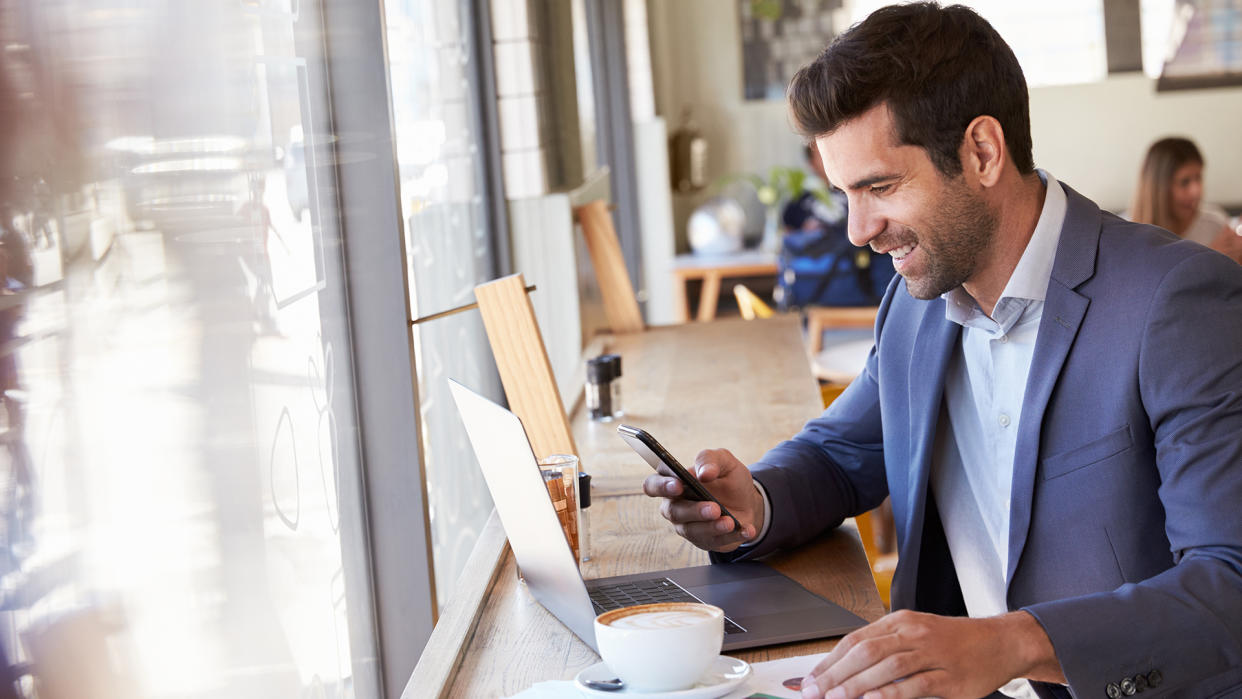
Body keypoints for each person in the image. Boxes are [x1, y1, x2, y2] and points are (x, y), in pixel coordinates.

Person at [643, 4, 1242, 699]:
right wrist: (753, 501)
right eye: (844, 194)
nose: (858, 231)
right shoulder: (918, 304)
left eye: (879, 187)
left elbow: (1230, 578)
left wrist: (1012, 641)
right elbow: (844, 454)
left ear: (982, 152)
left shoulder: (1177, 301)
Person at [1130, 136, 1242, 263]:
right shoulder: (1126, 232)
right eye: (1184, 182)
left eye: (1198, 178)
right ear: (1158, 189)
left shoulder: (1215, 224)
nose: (1197, 191)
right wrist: (1208, 258)